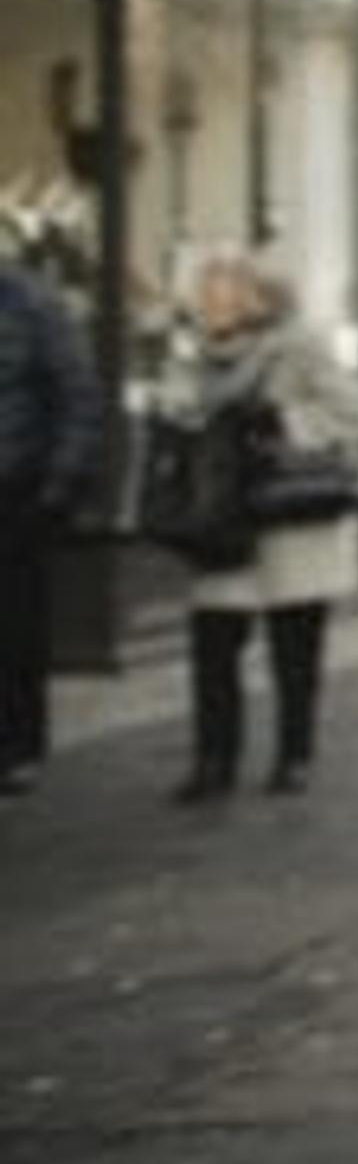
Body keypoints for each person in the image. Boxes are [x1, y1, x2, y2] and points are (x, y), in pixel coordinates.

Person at [169, 250, 358, 803]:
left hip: (289, 519)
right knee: (212, 644)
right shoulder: (194, 357)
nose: (209, 302)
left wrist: (280, 421)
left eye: (221, 290)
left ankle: (294, 755)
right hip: (221, 521)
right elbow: (178, 410)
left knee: (294, 650)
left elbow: (352, 414)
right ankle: (213, 760)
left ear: (257, 296)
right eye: (203, 292)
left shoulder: (299, 346)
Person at [0, 256, 105, 794]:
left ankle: (18, 746)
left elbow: (77, 392)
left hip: (15, 487)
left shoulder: (28, 301)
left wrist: (60, 481)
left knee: (15, 622)